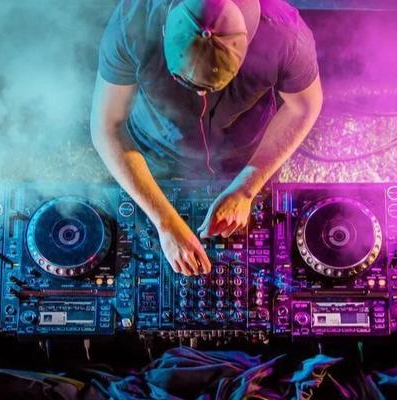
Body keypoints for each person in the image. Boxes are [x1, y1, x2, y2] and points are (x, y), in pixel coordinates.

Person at [90, 0, 323, 277]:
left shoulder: (285, 34)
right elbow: (107, 127)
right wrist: (165, 222)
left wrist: (246, 188)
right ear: (164, 31)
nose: (201, 95)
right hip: (155, 148)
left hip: (245, 150)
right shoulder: (133, 23)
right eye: (183, 80)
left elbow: (304, 107)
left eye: (214, 86)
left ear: (247, 43)